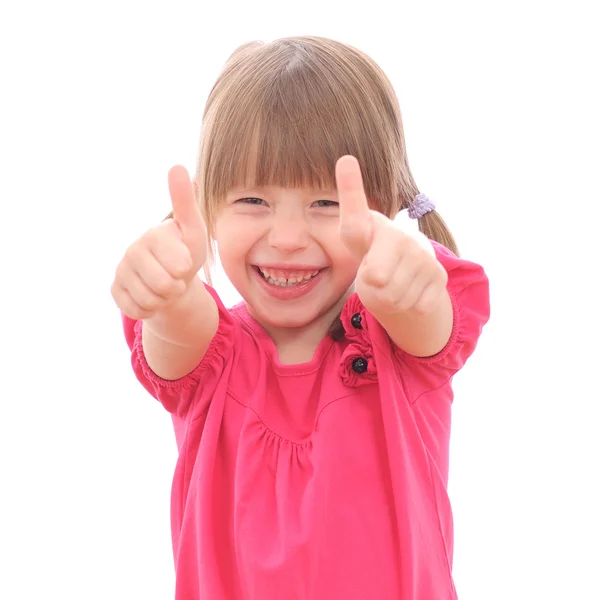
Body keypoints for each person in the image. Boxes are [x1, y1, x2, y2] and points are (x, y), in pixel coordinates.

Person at [111, 36, 490, 600]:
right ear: (210, 206)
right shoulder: (212, 352)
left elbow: (430, 317)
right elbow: (181, 331)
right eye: (252, 202)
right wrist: (165, 294)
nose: (286, 239)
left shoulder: (395, 337)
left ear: (381, 209)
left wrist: (410, 283)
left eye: (326, 205)